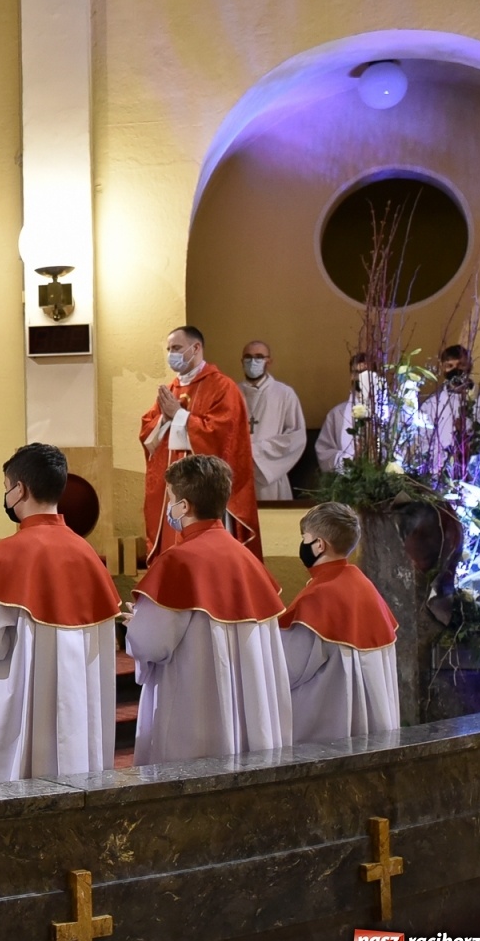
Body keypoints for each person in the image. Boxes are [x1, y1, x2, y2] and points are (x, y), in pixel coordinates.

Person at [0, 443, 121, 784]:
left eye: (6, 488)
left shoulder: (8, 555)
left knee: (9, 781)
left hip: (17, 689)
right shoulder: (87, 554)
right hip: (78, 698)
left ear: (20, 490)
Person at [126, 454, 292, 765]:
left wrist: (135, 624)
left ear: (184, 506)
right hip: (249, 717)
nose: (169, 509)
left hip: (195, 718)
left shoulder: (178, 562)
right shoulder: (247, 561)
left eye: (171, 499)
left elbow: (150, 643)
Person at [279, 502, 400, 744]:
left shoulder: (319, 596)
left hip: (326, 735)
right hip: (373, 728)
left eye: (305, 538)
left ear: (319, 545)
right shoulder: (366, 587)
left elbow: (287, 670)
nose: (303, 545)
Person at [138, 325, 261, 562]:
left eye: (176, 348)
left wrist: (180, 415)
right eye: (169, 349)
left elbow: (223, 437)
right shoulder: (172, 388)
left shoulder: (222, 387)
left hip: (205, 490)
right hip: (174, 489)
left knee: (206, 555)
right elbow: (147, 433)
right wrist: (165, 417)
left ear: (195, 348)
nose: (171, 354)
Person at [421, 344, 480, 476]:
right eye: (450, 366)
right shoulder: (431, 406)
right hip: (440, 474)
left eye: (461, 365)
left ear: (470, 365)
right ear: (442, 368)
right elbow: (423, 443)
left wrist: (477, 452)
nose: (456, 370)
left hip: (479, 473)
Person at [237, 340, 306, 501]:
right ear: (241, 361)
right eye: (248, 357)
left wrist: (255, 451)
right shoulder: (231, 393)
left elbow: (296, 437)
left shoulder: (284, 394)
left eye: (259, 357)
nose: (253, 361)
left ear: (269, 361)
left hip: (270, 476)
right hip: (238, 474)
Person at [314, 353, 373, 473]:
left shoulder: (391, 412)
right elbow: (323, 450)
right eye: (356, 372)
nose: (360, 377)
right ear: (351, 376)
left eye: (366, 372)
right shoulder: (337, 414)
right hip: (347, 485)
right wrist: (350, 459)